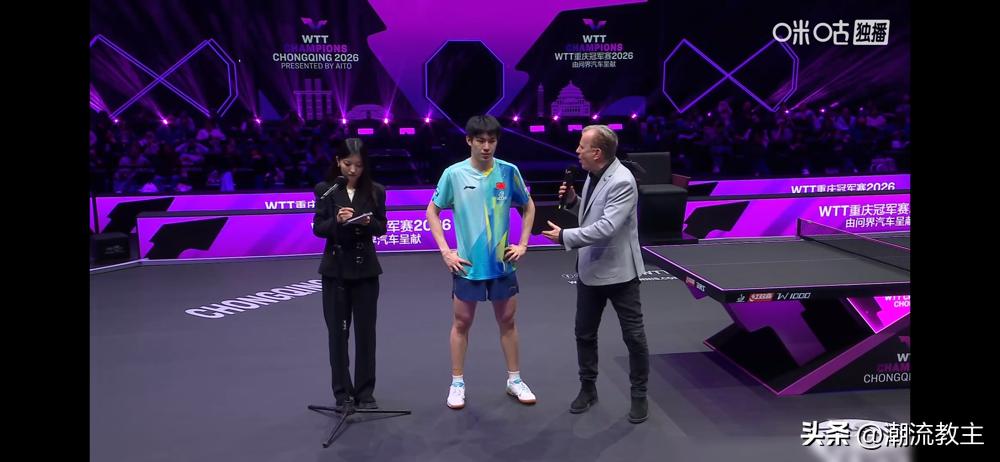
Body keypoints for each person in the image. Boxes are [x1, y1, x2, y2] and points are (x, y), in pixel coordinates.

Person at [426, 115, 537, 410]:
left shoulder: (509, 171)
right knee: (461, 323)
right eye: (480, 141)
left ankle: (515, 380)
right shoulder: (453, 174)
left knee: (508, 322)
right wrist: (446, 251)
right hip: (467, 265)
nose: (486, 147)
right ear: (469, 141)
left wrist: (523, 244)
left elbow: (528, 205)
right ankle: (457, 383)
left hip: (502, 264)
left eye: (492, 141)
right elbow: (432, 211)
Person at [542, 124, 650, 424]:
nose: (577, 151)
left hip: (620, 273)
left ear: (597, 152)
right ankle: (588, 389)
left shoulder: (623, 181)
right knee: (584, 333)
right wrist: (574, 201)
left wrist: (564, 236)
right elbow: (592, 215)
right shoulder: (592, 175)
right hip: (590, 270)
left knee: (634, 337)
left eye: (582, 146)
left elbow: (606, 227)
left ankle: (639, 395)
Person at [312, 138, 387, 411]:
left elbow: (382, 227)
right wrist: (337, 220)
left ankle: (365, 392)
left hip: (366, 271)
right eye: (347, 164)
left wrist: (368, 222)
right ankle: (342, 393)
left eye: (358, 165)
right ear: (337, 162)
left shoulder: (376, 190)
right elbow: (318, 227)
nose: (353, 170)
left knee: (366, 334)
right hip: (336, 271)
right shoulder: (326, 189)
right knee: (337, 334)